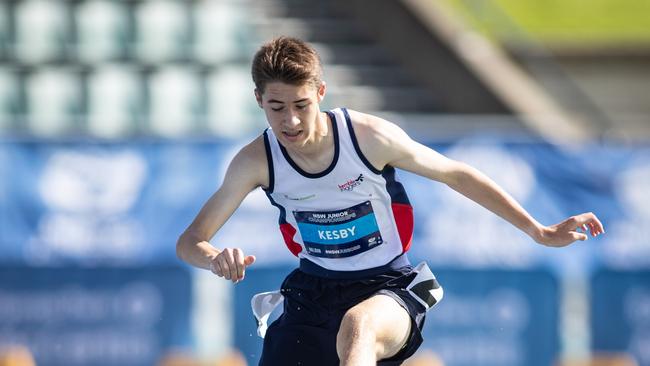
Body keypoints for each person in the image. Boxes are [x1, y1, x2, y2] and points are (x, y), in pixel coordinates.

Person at [176, 36, 604, 366]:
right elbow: (191, 240)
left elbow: (457, 174)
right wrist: (214, 256)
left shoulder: (368, 137)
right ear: (258, 101)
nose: (290, 121)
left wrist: (539, 230)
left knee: (358, 326)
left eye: (301, 105)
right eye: (276, 107)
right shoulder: (255, 161)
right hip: (312, 294)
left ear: (321, 92)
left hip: (389, 288)